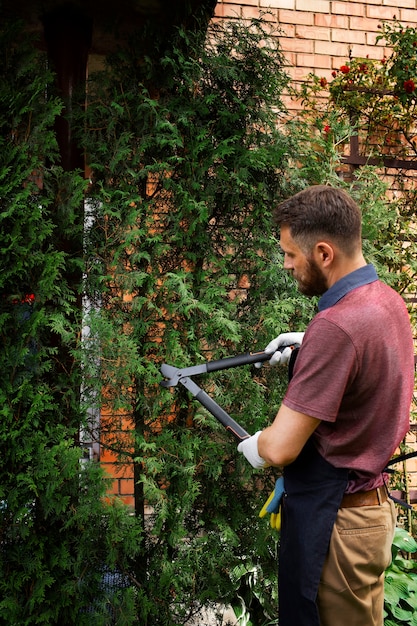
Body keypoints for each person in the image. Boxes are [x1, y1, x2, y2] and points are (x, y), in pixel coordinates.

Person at [238, 185, 415, 626]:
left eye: (290, 255)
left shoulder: (338, 326)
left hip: (339, 527)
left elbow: (281, 448)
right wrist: (308, 344)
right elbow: (365, 369)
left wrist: (256, 446)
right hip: (368, 515)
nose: (286, 265)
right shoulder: (385, 300)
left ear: (323, 252)